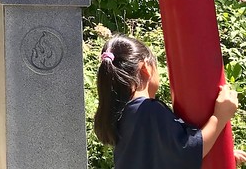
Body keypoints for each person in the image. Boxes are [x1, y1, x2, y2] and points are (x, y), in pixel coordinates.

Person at [94, 34, 246, 168]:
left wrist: (217, 156)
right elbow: (186, 150)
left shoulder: (123, 115)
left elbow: (162, 157)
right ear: (146, 68)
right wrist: (220, 117)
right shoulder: (148, 110)